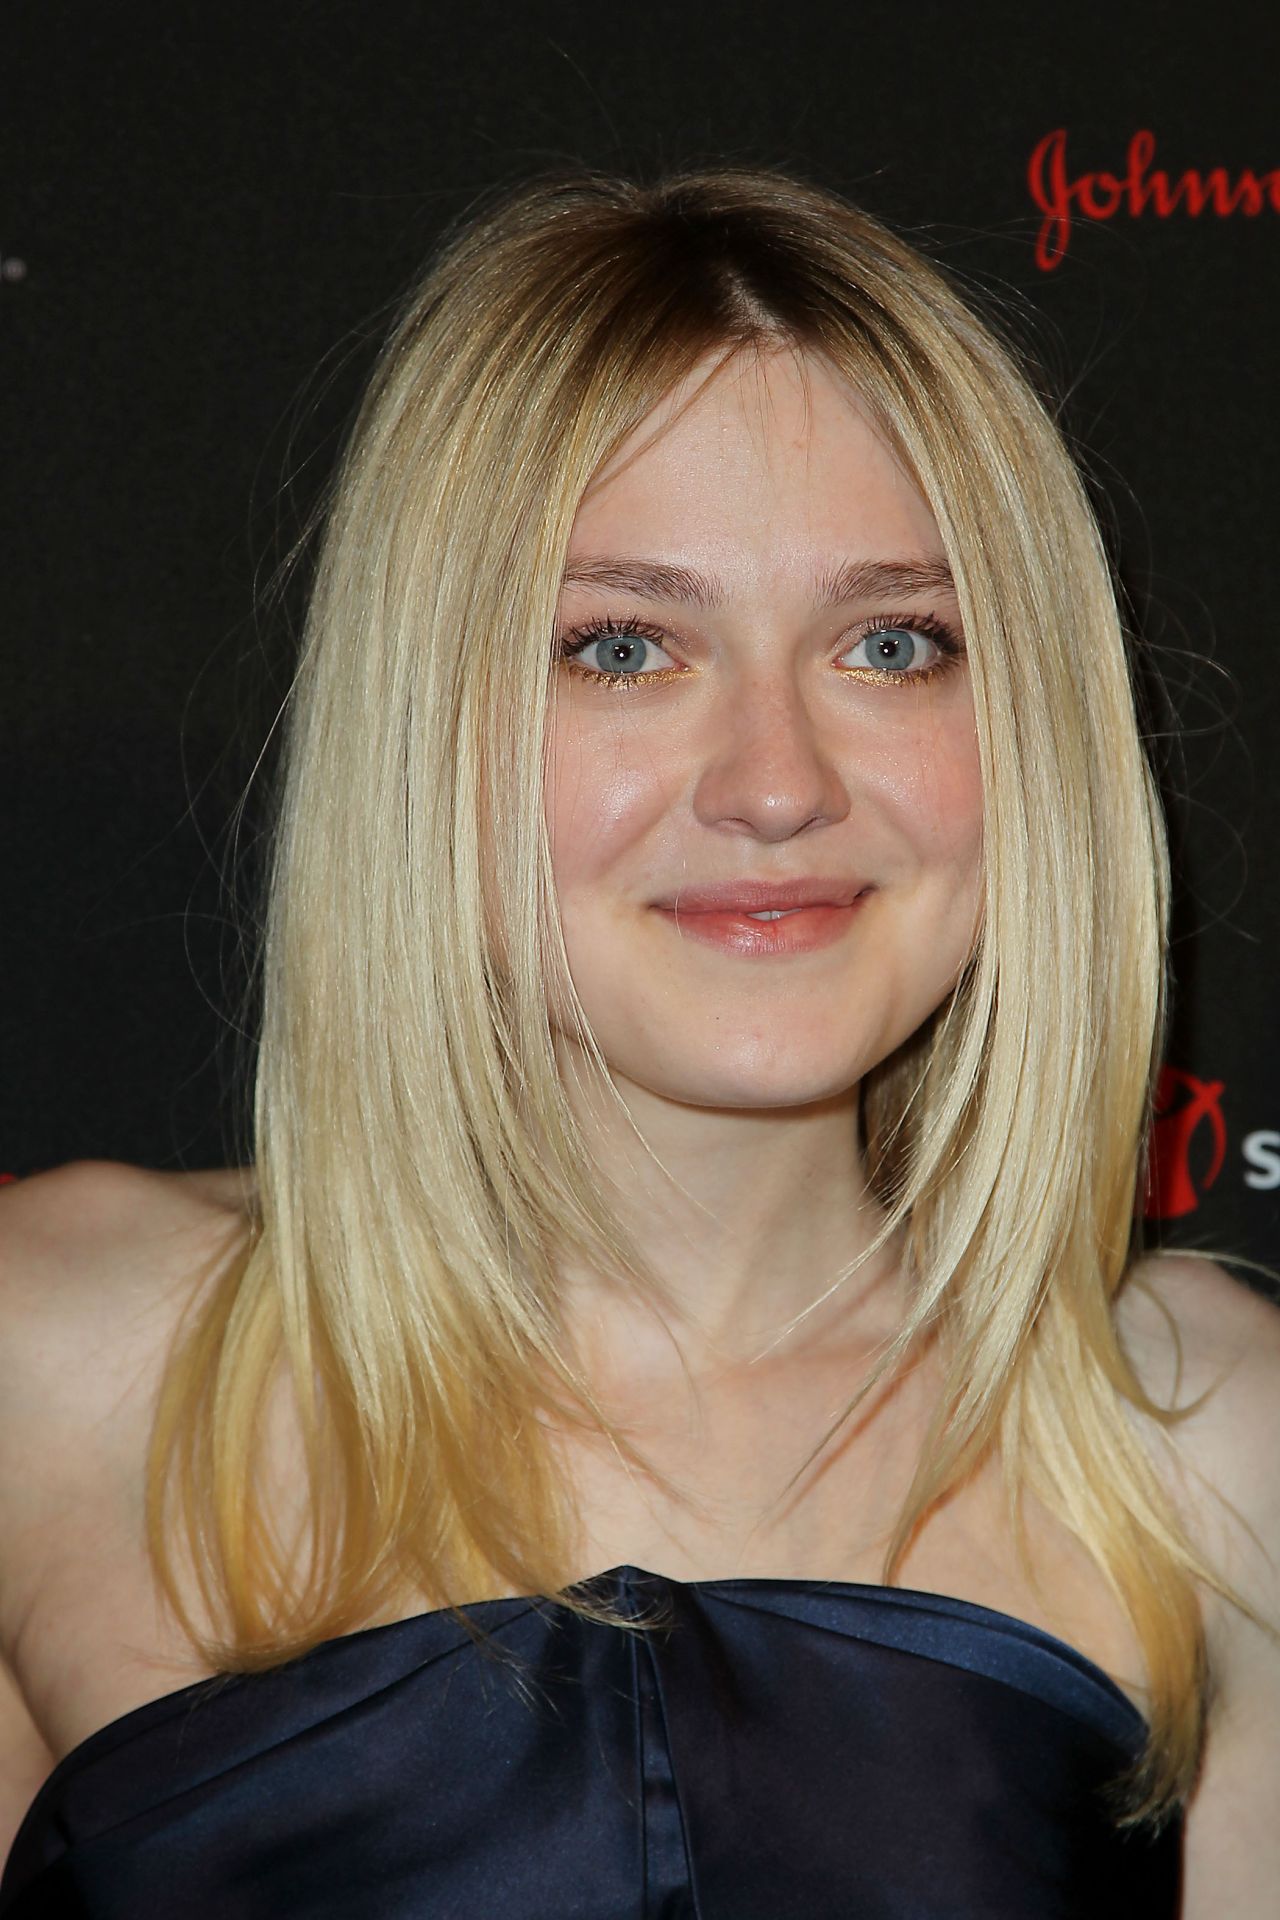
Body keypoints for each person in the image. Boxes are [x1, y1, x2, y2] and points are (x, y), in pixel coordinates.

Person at [0, 165, 1276, 1916]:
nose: (776, 782)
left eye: (892, 643)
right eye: (622, 647)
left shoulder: (1207, 1454)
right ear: (424, 721)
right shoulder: (54, 1366)